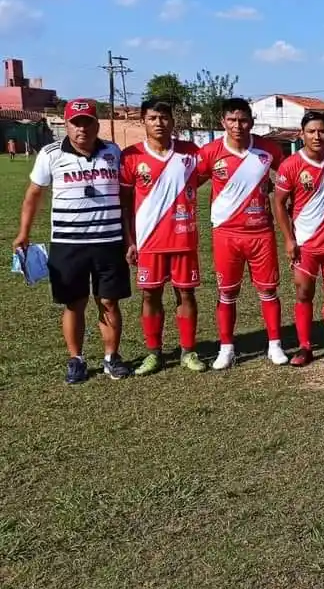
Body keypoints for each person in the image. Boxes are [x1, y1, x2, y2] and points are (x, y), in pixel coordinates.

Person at [12, 99, 131, 383]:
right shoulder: (50, 153)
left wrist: (128, 238)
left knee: (109, 302)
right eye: (75, 123)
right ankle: (75, 359)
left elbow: (125, 199)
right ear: (66, 124)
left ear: (96, 124)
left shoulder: (113, 152)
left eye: (87, 122)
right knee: (74, 303)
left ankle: (111, 357)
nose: (81, 129)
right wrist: (23, 233)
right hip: (68, 242)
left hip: (109, 240)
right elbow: (33, 195)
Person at [196, 97, 287, 369]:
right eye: (232, 120)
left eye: (243, 120)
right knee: (226, 292)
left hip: (261, 233)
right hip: (226, 233)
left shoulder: (268, 149)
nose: (238, 126)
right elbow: (190, 183)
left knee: (268, 290)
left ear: (252, 121)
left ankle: (275, 345)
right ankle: (226, 348)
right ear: (223, 122)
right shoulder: (211, 152)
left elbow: (289, 173)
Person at [120, 99, 207, 376]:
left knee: (186, 293)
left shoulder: (191, 154)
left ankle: (188, 351)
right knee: (150, 295)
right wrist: (130, 241)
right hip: (149, 241)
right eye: (153, 117)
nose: (159, 123)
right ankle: (153, 352)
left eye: (164, 117)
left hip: (183, 238)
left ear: (172, 121)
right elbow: (124, 204)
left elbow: (207, 176)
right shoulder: (131, 156)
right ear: (143, 121)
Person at [272, 111, 324, 366]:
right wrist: (288, 240)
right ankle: (304, 347)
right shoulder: (291, 165)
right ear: (302, 134)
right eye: (311, 131)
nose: (317, 136)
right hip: (305, 243)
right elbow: (279, 204)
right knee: (303, 293)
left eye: (322, 131)